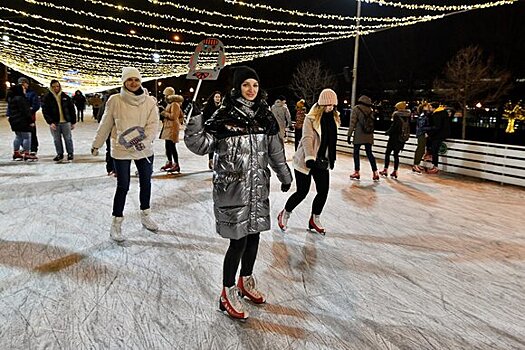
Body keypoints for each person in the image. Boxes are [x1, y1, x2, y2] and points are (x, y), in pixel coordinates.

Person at [184, 66, 292, 320]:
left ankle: (246, 281)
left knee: (254, 237)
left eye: (254, 85)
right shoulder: (224, 116)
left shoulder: (266, 116)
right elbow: (200, 145)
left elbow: (275, 151)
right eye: (246, 85)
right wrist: (195, 119)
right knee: (238, 242)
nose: (251, 90)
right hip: (233, 190)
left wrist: (284, 175)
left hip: (257, 189)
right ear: (237, 88)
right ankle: (227, 291)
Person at [91, 67, 160, 242]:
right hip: (121, 150)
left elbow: (153, 124)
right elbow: (105, 123)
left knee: (146, 183)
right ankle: (116, 222)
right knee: (123, 186)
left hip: (143, 149)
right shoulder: (115, 100)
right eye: (130, 80)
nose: (133, 83)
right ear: (124, 82)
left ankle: (145, 214)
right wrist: (97, 144)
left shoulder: (150, 101)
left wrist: (143, 141)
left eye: (136, 80)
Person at [277, 89, 340, 235]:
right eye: (328, 104)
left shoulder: (335, 119)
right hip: (305, 160)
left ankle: (314, 219)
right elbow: (307, 139)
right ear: (321, 104)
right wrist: (310, 158)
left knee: (323, 191)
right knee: (302, 192)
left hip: (322, 161)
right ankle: (285, 213)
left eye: (333, 105)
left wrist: (331, 158)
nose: (330, 107)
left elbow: (332, 141)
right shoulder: (310, 118)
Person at [42, 80, 77, 162]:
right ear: (51, 87)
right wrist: (50, 122)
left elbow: (71, 109)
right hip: (55, 122)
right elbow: (45, 111)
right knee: (56, 139)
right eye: (53, 87)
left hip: (66, 122)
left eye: (57, 86)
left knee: (68, 138)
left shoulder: (65, 96)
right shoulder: (47, 98)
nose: (56, 88)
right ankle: (59, 154)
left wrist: (73, 121)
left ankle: (70, 153)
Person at [347, 95, 379, 181]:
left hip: (359, 135)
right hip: (369, 135)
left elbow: (352, 123)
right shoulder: (370, 110)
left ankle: (357, 172)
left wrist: (349, 135)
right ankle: (375, 172)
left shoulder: (356, 109)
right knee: (369, 153)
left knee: (356, 153)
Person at [6, 77, 40, 157]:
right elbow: (25, 111)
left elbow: (36, 105)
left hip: (16, 120)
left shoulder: (13, 97)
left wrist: (10, 116)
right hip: (25, 120)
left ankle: (18, 152)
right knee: (27, 136)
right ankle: (27, 153)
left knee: (19, 136)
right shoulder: (21, 98)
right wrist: (30, 119)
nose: (23, 86)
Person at [379, 101, 411, 179]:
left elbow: (394, 126)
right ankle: (395, 171)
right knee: (396, 155)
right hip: (401, 138)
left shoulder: (397, 115)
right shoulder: (407, 116)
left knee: (387, 153)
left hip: (394, 138)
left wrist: (387, 132)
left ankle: (385, 170)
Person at [159, 94, 184, 173]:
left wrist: (163, 113)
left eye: (166, 94)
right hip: (169, 127)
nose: (165, 96)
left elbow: (174, 116)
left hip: (171, 128)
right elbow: (181, 116)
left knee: (172, 146)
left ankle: (176, 164)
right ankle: (170, 162)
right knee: (168, 146)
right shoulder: (171, 104)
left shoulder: (174, 104)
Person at [427, 102, 450, 174]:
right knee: (434, 149)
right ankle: (433, 164)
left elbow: (437, 126)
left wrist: (429, 133)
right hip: (443, 134)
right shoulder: (443, 112)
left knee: (435, 150)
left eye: (430, 107)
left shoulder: (437, 114)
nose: (430, 108)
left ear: (434, 107)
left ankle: (435, 167)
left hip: (438, 135)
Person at [202, 91, 222, 169]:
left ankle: (218, 161)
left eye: (219, 97)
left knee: (219, 146)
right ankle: (211, 160)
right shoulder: (208, 107)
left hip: (219, 129)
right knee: (212, 145)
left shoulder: (222, 107)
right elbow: (205, 117)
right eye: (216, 97)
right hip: (210, 129)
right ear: (213, 98)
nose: (218, 98)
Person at [412, 102, 432, 173]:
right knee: (420, 149)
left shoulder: (425, 114)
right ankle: (415, 164)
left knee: (422, 149)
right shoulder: (423, 115)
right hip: (421, 134)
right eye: (427, 106)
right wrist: (430, 129)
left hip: (422, 133)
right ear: (423, 108)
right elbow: (422, 126)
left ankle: (417, 164)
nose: (429, 107)